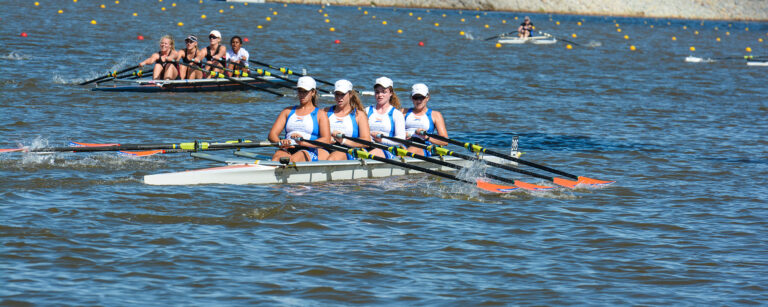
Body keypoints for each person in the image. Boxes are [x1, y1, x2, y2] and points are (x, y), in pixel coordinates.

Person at [268, 76, 331, 162]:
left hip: (309, 150)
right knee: (277, 157)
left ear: (313, 92)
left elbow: (326, 140)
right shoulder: (287, 111)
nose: (302, 94)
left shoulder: (320, 114)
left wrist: (303, 142)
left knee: (297, 158)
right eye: (299, 91)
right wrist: (281, 143)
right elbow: (272, 135)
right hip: (288, 148)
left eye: (305, 91)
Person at [325, 79, 371, 161]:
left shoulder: (359, 115)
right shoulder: (325, 112)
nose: (339, 98)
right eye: (337, 94)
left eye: (342, 94)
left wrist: (343, 140)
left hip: (350, 149)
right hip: (328, 147)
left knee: (332, 158)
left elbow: (367, 141)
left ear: (350, 94)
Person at [401, 83, 448, 156]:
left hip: (425, 147)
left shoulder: (435, 115)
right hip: (405, 144)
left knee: (414, 148)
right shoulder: (403, 112)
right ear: (411, 98)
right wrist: (401, 135)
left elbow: (445, 141)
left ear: (427, 97)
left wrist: (426, 137)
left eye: (421, 97)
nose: (418, 101)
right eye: (416, 97)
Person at [365, 76, 405, 158]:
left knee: (374, 153)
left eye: (384, 92)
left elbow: (401, 139)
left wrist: (381, 140)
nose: (380, 95)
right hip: (367, 146)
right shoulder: (366, 111)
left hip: (388, 149)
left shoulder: (396, 114)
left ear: (391, 93)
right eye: (377, 92)